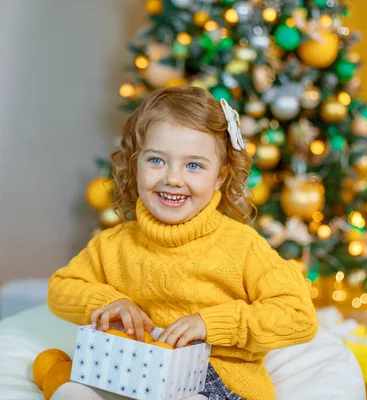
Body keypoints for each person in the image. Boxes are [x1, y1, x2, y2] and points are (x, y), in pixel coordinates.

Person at [47, 86, 318, 400]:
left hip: (217, 381)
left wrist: (210, 324)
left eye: (194, 166)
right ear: (135, 164)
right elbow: (60, 288)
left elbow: (298, 315)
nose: (173, 178)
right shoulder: (114, 243)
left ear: (220, 175)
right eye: (157, 161)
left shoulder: (242, 247)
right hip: (137, 374)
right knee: (72, 392)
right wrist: (108, 302)